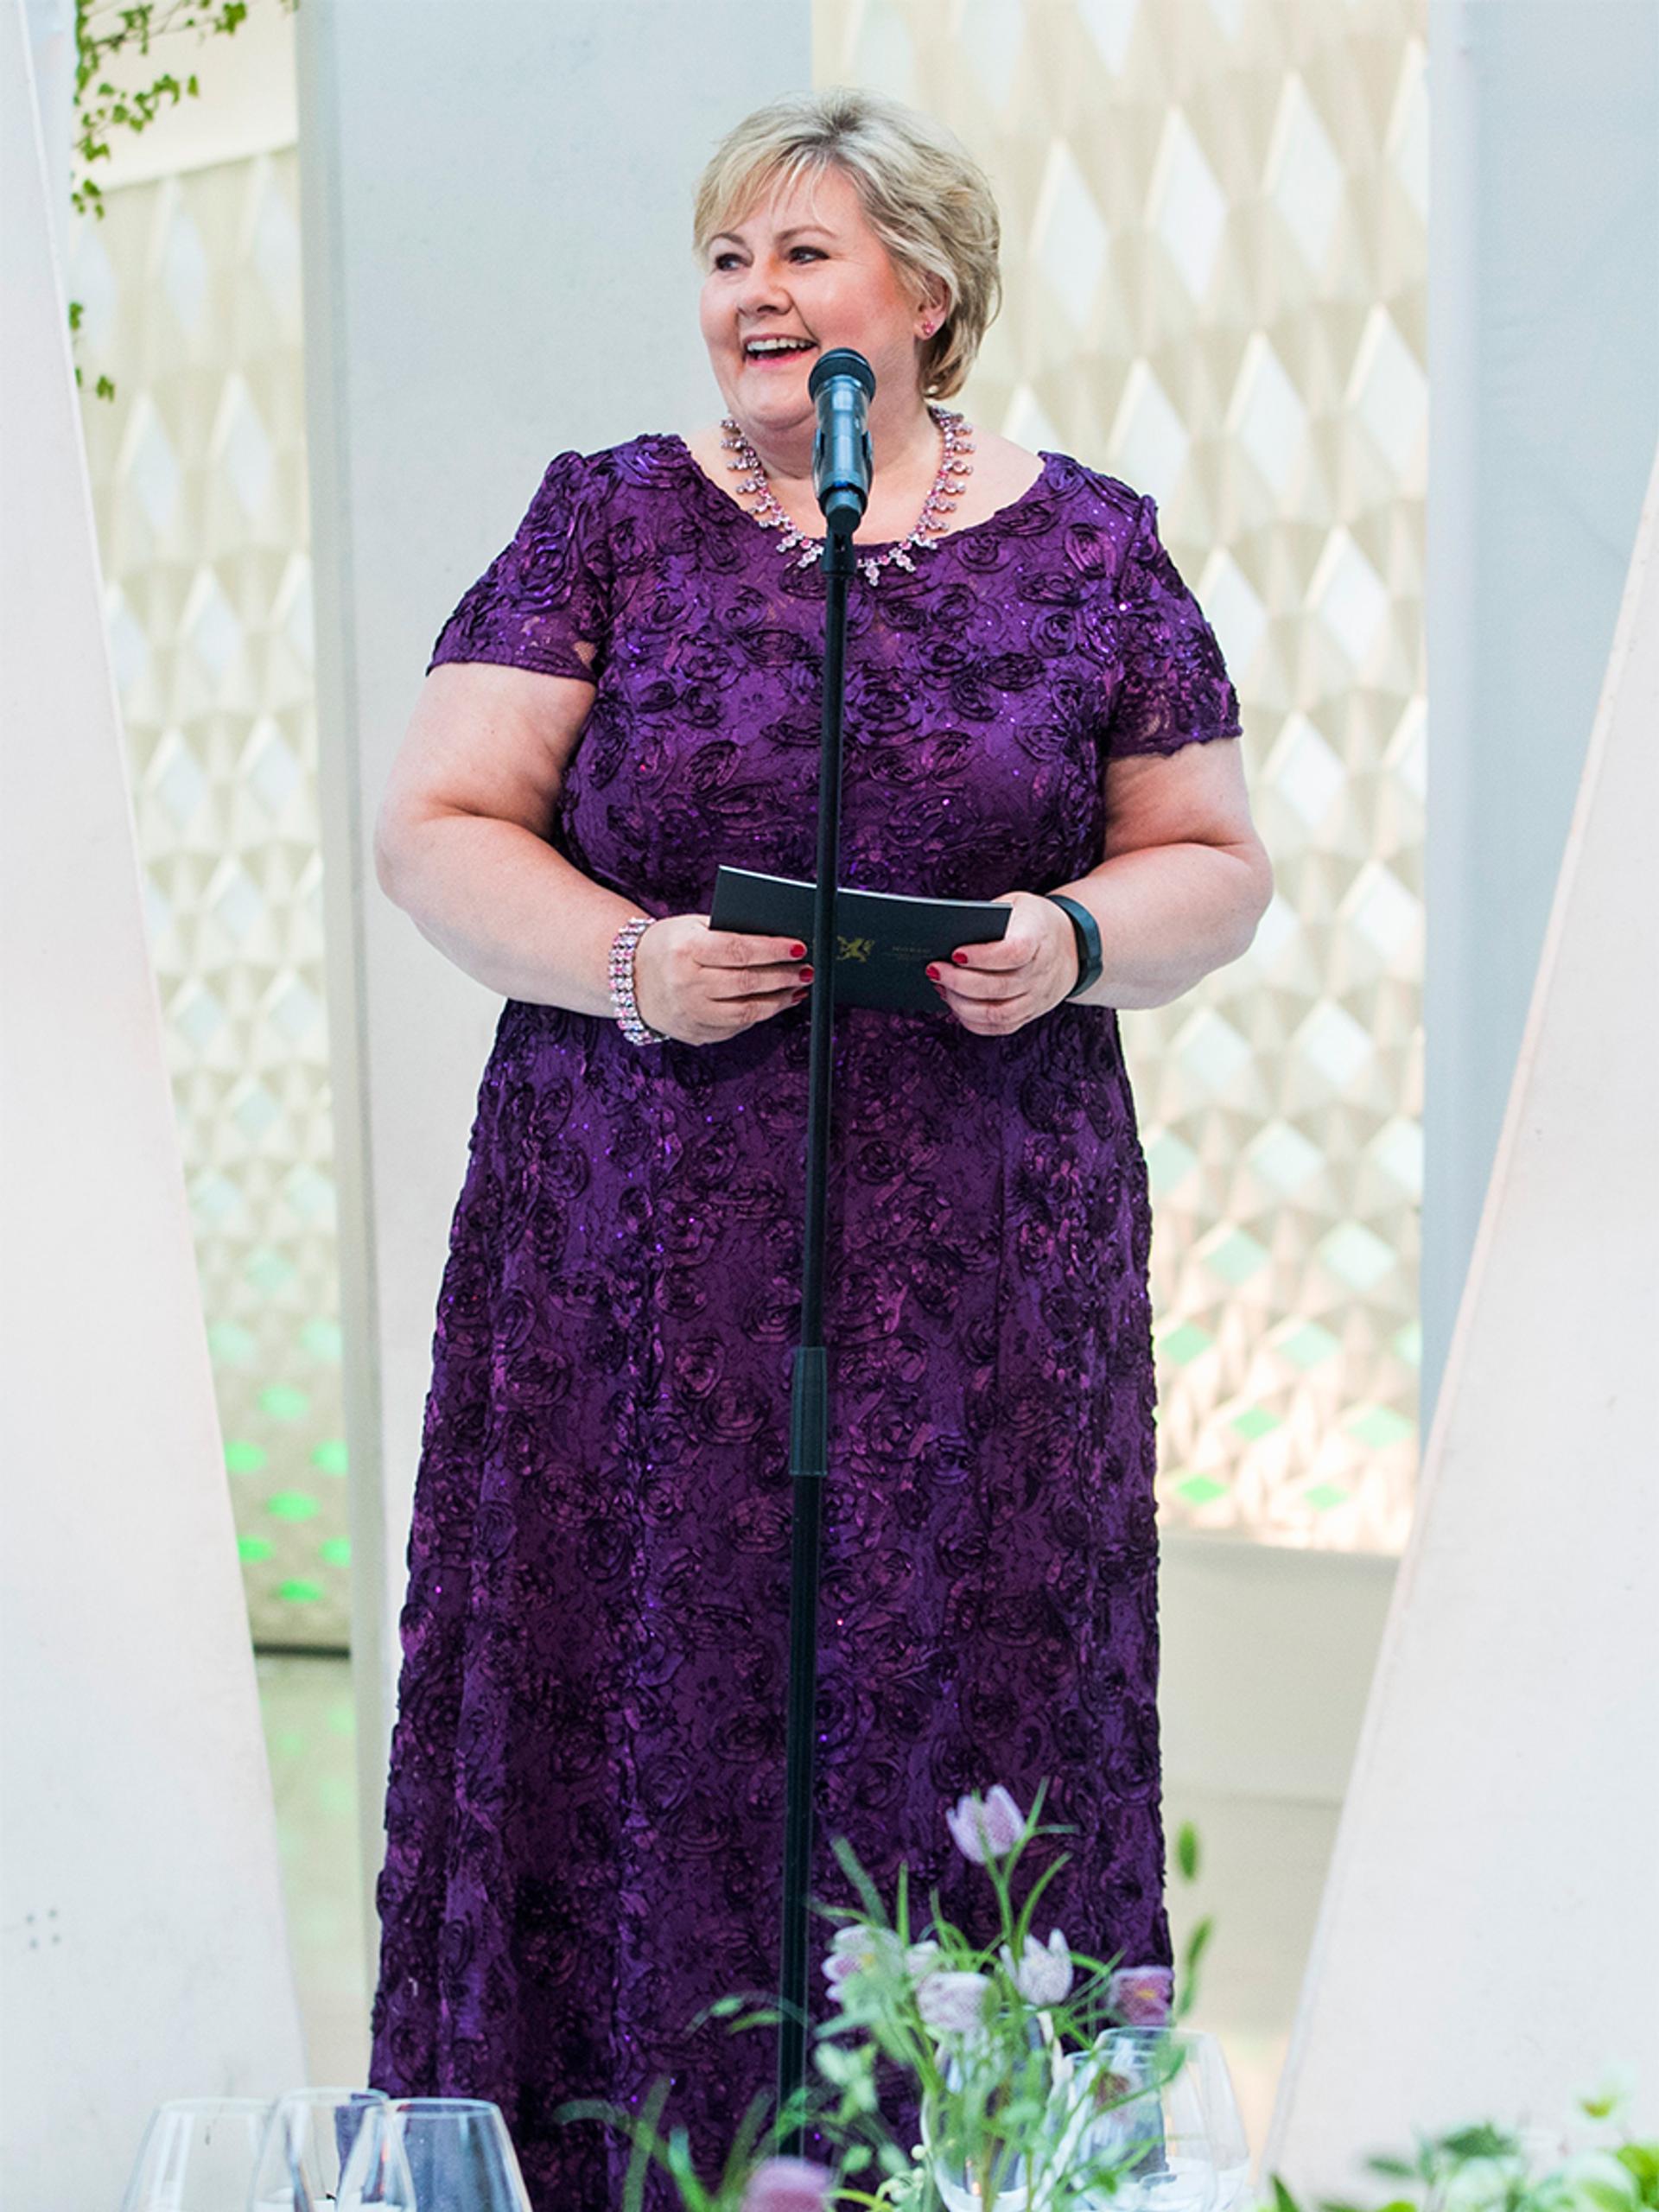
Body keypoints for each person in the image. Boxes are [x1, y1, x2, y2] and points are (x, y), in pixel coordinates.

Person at [365, 84, 1272, 2212]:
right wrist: (629, 959)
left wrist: (1070, 936)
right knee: (644, 1669)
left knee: (965, 1661)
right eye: (726, 259)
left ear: (927, 293)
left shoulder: (1098, 549)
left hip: (983, 1246)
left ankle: (951, 2164)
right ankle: (613, 2158)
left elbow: (1214, 861)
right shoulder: (605, 518)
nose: (751, 297)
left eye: (801, 255)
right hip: (637, 1226)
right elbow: (436, 820)